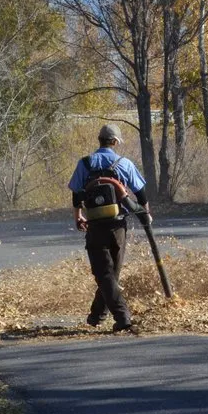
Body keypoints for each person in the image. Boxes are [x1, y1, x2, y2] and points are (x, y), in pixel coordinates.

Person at [68, 124, 148, 332]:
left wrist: (78, 216)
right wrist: (146, 215)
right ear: (115, 142)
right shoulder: (125, 163)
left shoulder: (85, 163)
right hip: (118, 226)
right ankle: (108, 316)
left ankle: (110, 316)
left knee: (105, 274)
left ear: (99, 139)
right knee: (111, 273)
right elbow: (141, 194)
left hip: (95, 226)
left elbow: (77, 194)